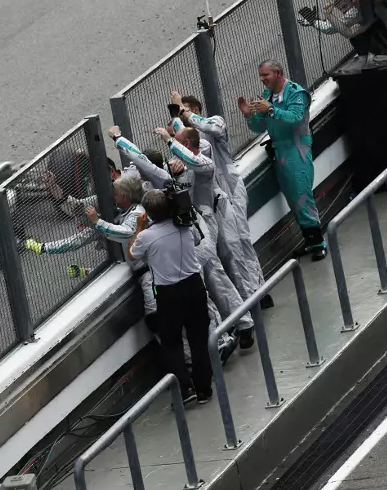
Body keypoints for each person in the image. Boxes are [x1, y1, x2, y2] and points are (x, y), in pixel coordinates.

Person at [27, 157, 239, 372]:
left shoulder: (137, 214)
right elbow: (77, 213)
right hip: (163, 272)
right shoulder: (119, 209)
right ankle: (201, 355)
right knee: (180, 316)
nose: (111, 194)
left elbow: (127, 236)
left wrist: (98, 223)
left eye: (115, 193)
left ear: (124, 196)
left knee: (175, 317)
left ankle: (208, 350)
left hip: (159, 274)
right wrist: (47, 244)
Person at [149, 124, 258, 350]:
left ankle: (242, 323)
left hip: (205, 223)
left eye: (179, 143)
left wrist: (169, 139)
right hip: (192, 226)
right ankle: (237, 325)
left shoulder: (204, 156)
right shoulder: (178, 164)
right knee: (210, 277)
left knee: (215, 272)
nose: (174, 150)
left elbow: (195, 157)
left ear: (186, 145)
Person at [168, 92, 270, 310]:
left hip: (231, 191)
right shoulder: (185, 141)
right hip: (212, 200)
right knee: (225, 253)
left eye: (185, 109)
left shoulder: (214, 123)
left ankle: (259, 291)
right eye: (179, 111)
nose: (182, 114)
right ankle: (247, 297)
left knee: (240, 242)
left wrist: (183, 114)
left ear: (195, 110)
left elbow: (208, 135)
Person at [127, 189, 213, 402]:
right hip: (194, 286)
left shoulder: (146, 236)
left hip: (168, 293)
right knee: (198, 339)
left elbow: (132, 254)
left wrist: (138, 228)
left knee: (171, 341)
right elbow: (196, 240)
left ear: (148, 212)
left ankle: (185, 389)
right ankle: (204, 388)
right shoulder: (184, 225)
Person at [239, 60, 328, 262]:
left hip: (297, 150)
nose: (262, 80)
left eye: (265, 76)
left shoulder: (296, 93)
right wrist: (248, 116)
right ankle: (310, 241)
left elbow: (295, 118)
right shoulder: (266, 97)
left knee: (302, 196)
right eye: (260, 76)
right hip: (280, 152)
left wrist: (270, 109)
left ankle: (318, 242)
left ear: (278, 73)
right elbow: (260, 127)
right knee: (292, 199)